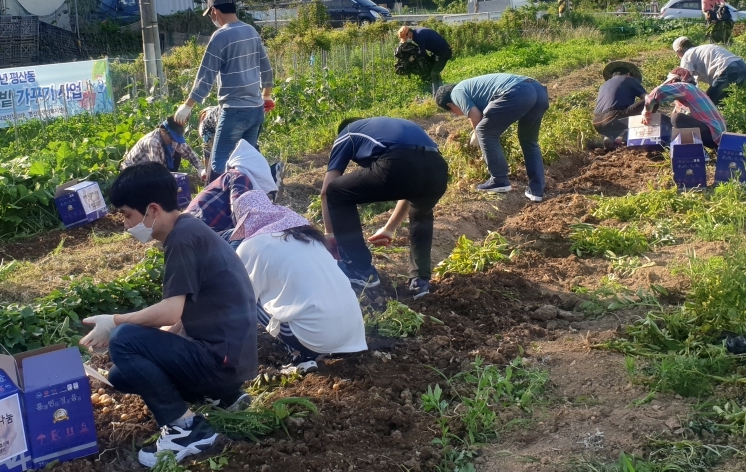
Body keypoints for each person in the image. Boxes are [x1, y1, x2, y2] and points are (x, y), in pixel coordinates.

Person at [79, 162, 257, 466]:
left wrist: (116, 321)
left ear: (152, 209)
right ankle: (224, 396)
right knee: (122, 374)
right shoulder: (191, 229)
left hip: (221, 362)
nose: (125, 225)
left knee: (123, 340)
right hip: (233, 358)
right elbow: (186, 311)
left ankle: (186, 430)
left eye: (127, 215)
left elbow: (170, 310)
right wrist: (158, 342)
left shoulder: (181, 240)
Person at [232, 190, 367, 373]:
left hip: (316, 338)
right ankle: (312, 349)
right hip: (353, 333)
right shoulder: (307, 237)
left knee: (248, 296)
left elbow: (239, 300)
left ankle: (301, 355)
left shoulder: (250, 246)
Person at [320, 117, 448, 298]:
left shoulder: (346, 132)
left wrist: (331, 234)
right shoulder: (386, 128)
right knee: (421, 214)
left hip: (398, 162)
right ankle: (420, 282)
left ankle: (360, 269)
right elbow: (411, 182)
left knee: (337, 192)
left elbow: (326, 190)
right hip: (438, 170)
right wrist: (389, 229)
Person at [174, 0, 275, 179]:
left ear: (214, 11)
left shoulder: (220, 36)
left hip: (234, 110)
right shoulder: (251, 31)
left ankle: (219, 206)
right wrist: (266, 95)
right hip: (255, 110)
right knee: (246, 162)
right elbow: (267, 68)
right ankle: (252, 199)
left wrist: (187, 106)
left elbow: (206, 76)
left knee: (218, 164)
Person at [435, 73, 549, 201]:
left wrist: (478, 136)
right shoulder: (473, 88)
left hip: (519, 91)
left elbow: (476, 116)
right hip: (538, 91)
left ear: (451, 105)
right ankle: (536, 191)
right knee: (529, 141)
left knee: (484, 131)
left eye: (453, 112)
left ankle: (499, 180)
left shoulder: (456, 93)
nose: (457, 115)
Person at [185, 139, 277, 235]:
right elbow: (240, 219)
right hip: (197, 231)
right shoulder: (240, 177)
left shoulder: (231, 176)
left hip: (194, 228)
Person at [643, 67, 726, 149]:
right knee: (673, 120)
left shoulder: (684, 87)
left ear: (674, 80)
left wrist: (646, 110)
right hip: (717, 136)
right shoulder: (692, 92)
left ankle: (697, 151)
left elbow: (658, 92)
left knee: (677, 118)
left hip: (713, 133)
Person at [672, 37, 746, 104]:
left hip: (727, 70)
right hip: (743, 67)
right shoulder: (702, 48)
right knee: (726, 101)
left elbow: (686, 81)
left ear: (678, 51)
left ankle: (702, 121)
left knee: (707, 103)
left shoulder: (687, 55)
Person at [120, 117, 202, 173]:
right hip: (134, 173)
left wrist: (201, 169)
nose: (173, 141)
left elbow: (189, 153)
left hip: (152, 169)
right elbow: (156, 169)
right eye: (172, 138)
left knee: (177, 154)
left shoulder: (171, 139)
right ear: (163, 131)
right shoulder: (153, 142)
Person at [592, 62, 646, 146]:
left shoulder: (603, 85)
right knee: (653, 100)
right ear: (629, 74)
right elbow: (648, 98)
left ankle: (609, 137)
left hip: (597, 122)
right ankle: (624, 135)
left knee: (619, 115)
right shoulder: (630, 79)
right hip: (613, 117)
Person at [397, 25, 453, 91]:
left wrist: (413, 57)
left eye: (406, 38)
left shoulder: (418, 35)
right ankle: (441, 90)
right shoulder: (416, 34)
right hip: (438, 52)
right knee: (434, 70)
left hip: (444, 52)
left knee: (434, 73)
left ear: (409, 33)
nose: (406, 40)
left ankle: (437, 94)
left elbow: (422, 51)